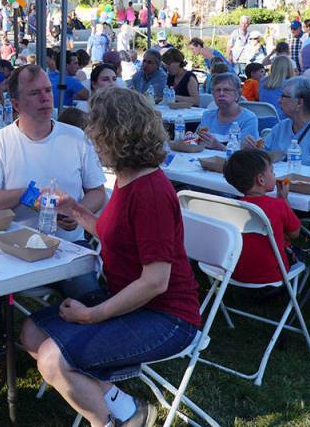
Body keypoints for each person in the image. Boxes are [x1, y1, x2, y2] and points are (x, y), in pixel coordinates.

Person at [20, 87, 199, 427]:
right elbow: (116, 237)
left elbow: (156, 282)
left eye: (97, 134)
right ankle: (127, 408)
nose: (93, 142)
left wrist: (92, 315)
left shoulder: (150, 192)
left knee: (52, 360)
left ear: (117, 135)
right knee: (31, 332)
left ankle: (109, 422)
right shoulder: (127, 178)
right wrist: (73, 207)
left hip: (168, 318)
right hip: (132, 303)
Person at [0, 65, 107, 391]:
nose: (46, 98)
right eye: (35, 93)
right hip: (13, 247)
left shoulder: (75, 138)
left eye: (48, 90)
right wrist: (27, 194)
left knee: (93, 300)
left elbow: (97, 192)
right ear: (16, 104)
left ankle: (89, 360)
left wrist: (76, 212)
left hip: (69, 246)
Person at [222, 149, 301, 283]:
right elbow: (295, 233)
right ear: (261, 179)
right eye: (271, 171)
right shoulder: (278, 205)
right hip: (273, 276)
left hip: (235, 273)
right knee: (299, 252)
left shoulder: (233, 207)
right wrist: (284, 200)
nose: (274, 174)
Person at [244, 76, 310, 169]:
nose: (279, 100)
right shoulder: (282, 127)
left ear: (299, 103)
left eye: (284, 96)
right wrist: (251, 151)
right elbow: (263, 157)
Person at [196, 73, 259, 150]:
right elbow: (196, 142)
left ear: (237, 94)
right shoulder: (207, 116)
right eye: (217, 90)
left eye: (226, 90)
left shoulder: (248, 119)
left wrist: (220, 147)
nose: (221, 94)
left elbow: (246, 154)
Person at [258, 55, 294, 123]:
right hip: (282, 124)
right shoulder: (290, 84)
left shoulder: (262, 81)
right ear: (289, 68)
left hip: (262, 122)